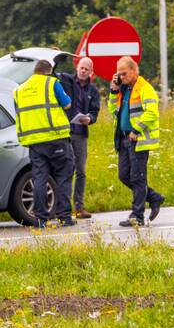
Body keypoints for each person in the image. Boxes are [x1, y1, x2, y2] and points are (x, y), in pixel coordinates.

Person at [13, 59, 75, 227]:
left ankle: (41, 219)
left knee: (39, 179)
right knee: (63, 177)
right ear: (48, 71)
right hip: (56, 139)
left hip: (34, 142)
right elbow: (68, 104)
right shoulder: (52, 83)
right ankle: (64, 217)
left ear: (35, 71)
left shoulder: (19, 90)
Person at [108, 56, 164, 226]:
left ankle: (137, 216)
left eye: (124, 74)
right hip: (124, 138)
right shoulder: (124, 89)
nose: (121, 77)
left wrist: (136, 129)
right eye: (119, 74)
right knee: (124, 175)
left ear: (133, 70)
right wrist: (113, 90)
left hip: (138, 139)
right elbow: (113, 111)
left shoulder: (144, 88)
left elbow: (152, 113)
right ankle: (154, 197)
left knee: (137, 178)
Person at [58, 57, 101, 218]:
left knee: (81, 170)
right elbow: (54, 74)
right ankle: (62, 207)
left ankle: (79, 206)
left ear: (91, 72)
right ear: (77, 68)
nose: (83, 71)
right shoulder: (67, 81)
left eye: (86, 69)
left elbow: (95, 112)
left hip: (81, 134)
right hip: (64, 133)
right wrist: (57, 57)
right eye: (81, 68)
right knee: (65, 169)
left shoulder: (93, 91)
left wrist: (90, 118)